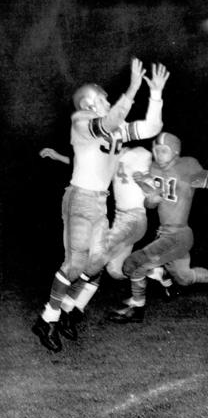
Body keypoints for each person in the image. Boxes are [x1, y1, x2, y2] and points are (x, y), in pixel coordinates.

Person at [32, 59, 170, 352]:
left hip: (99, 202)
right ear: (91, 103)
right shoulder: (80, 120)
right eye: (104, 97)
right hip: (80, 198)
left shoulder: (116, 129)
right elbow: (108, 123)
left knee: (96, 265)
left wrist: (155, 94)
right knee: (75, 265)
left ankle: (67, 311)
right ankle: (48, 319)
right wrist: (132, 88)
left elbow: (152, 126)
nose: (108, 100)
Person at [109, 132, 208, 323]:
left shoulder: (185, 168)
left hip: (178, 234)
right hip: (165, 235)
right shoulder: (154, 169)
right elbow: (152, 204)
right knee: (184, 278)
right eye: (156, 150)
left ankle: (137, 308)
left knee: (132, 265)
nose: (158, 155)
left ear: (175, 152)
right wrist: (149, 196)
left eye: (164, 150)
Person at [38, 145, 172, 340]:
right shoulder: (113, 155)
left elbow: (154, 199)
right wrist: (58, 156)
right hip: (120, 219)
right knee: (116, 271)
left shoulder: (141, 154)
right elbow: (86, 169)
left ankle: (67, 310)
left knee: (95, 260)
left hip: (133, 220)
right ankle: (156, 271)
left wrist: (146, 187)